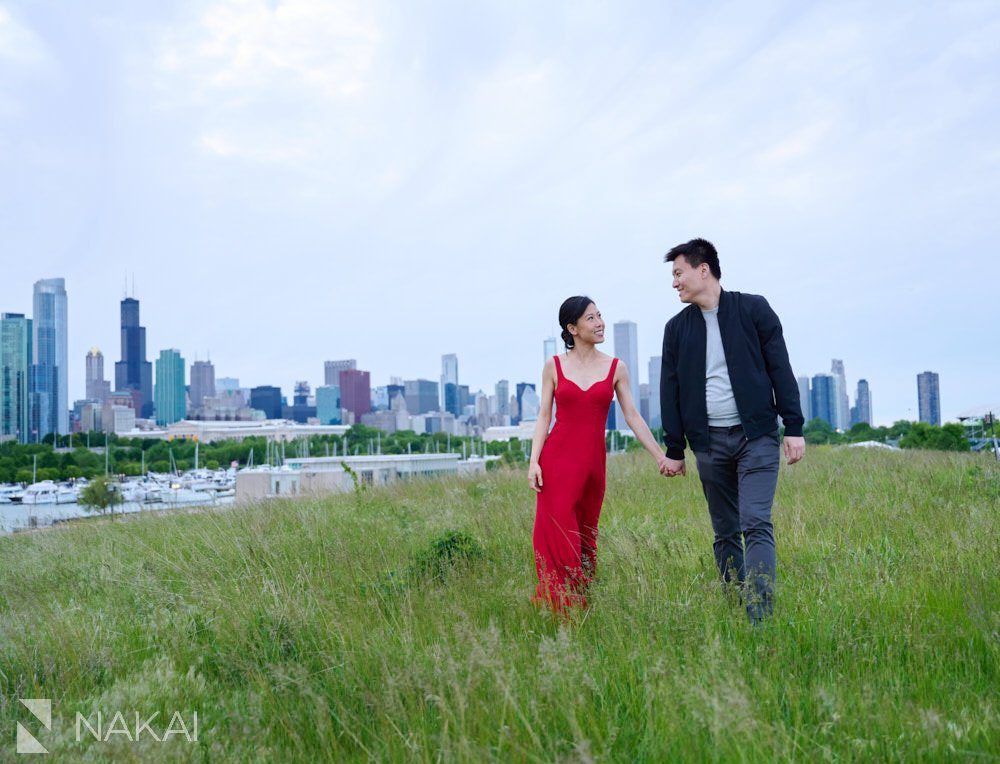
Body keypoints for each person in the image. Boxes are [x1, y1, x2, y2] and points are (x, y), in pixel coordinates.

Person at [660, 238, 805, 623]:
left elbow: (780, 368)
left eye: (679, 273)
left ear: (702, 269)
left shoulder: (753, 310)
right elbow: (669, 390)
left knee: (755, 522)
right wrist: (675, 449)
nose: (674, 283)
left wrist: (793, 426)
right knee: (725, 531)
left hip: (755, 436)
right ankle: (736, 605)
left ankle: (760, 616)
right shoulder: (676, 329)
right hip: (708, 444)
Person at [529, 296, 669, 610]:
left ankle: (581, 600)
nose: (600, 322)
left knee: (585, 536)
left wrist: (659, 455)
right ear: (572, 328)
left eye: (599, 316)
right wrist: (533, 462)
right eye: (591, 318)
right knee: (557, 534)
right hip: (556, 464)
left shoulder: (616, 367)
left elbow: (632, 416)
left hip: (592, 467)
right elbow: (543, 416)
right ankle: (560, 608)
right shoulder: (554, 365)